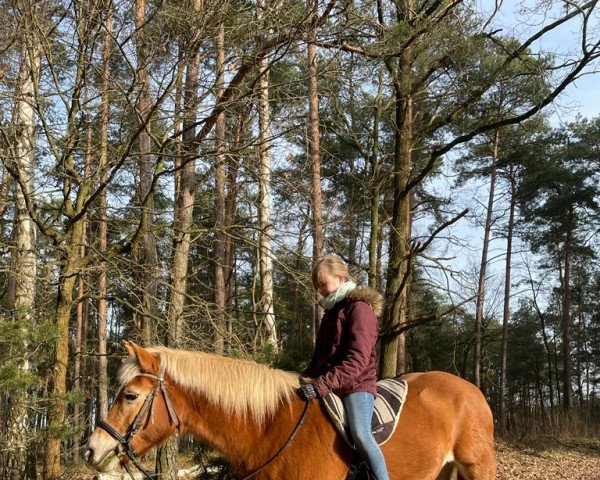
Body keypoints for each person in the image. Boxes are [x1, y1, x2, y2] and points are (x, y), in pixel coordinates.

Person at [298, 255, 389, 480]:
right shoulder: (330, 313)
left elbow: (357, 359)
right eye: (317, 286)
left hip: (356, 386)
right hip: (330, 384)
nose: (320, 290)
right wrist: (303, 379)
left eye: (323, 284)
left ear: (340, 278)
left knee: (361, 434)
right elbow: (320, 357)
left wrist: (322, 385)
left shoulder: (360, 310)